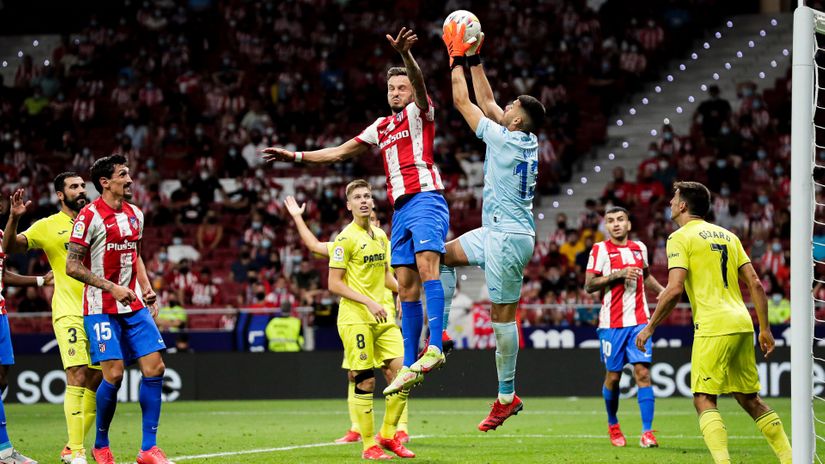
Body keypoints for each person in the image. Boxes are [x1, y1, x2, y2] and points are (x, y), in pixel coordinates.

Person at [263, 28, 450, 387]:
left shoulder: (420, 113)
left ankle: (437, 342)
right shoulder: (380, 127)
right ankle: (410, 362)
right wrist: (295, 156)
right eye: (392, 89)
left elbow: (421, 86)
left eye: (402, 88)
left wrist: (406, 57)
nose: (397, 93)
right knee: (407, 287)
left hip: (426, 198)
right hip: (400, 210)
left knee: (428, 268)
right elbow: (338, 152)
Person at [417, 22, 544, 431]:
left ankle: (506, 396)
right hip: (497, 231)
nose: (503, 109)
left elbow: (463, 102)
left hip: (508, 238)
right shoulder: (524, 138)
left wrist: (454, 57)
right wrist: (474, 58)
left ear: (518, 123)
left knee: (502, 318)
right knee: (442, 256)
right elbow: (487, 99)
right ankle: (443, 335)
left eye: (511, 110)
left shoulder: (506, 140)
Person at [636, 181, 791, 464]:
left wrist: (650, 326)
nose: (671, 202)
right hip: (743, 323)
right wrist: (764, 328)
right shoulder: (729, 236)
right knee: (749, 399)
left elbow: (673, 289)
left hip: (713, 325)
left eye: (674, 198)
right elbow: (756, 283)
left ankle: (723, 462)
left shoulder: (680, 238)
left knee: (704, 398)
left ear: (683, 205)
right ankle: (791, 458)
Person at [284, 189, 413, 457]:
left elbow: (384, 276)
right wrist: (298, 218)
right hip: (357, 318)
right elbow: (333, 282)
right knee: (363, 380)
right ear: (348, 205)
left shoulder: (380, 237)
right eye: (358, 197)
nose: (364, 201)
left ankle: (390, 433)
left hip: (383, 317)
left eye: (367, 196)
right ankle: (368, 444)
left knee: (405, 374)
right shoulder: (345, 239)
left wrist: (402, 291)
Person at [65, 155, 170, 464]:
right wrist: (112, 287)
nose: (130, 180)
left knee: (156, 368)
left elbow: (134, 254)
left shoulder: (136, 213)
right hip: (100, 306)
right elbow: (72, 265)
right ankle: (100, 444)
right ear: (105, 183)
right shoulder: (88, 217)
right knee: (114, 374)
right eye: (123, 175)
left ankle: (148, 449)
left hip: (132, 303)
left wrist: (146, 288)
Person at [3, 173, 104, 464]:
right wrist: (14, 218)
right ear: (60, 195)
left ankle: (71, 447)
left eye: (83, 186)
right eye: (74, 187)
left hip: (99, 311)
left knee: (98, 379)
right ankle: (77, 451)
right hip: (68, 310)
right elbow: (10, 247)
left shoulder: (98, 220)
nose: (81, 190)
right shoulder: (49, 226)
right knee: (77, 374)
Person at [583, 206, 665, 448]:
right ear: (606, 226)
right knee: (614, 376)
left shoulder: (640, 248)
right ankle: (613, 423)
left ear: (629, 224)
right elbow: (589, 285)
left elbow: (646, 275)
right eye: (611, 221)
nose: (616, 224)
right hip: (612, 324)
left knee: (643, 373)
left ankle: (647, 432)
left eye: (620, 220)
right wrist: (617, 274)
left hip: (640, 321)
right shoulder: (600, 250)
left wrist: (663, 292)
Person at [0, 227, 52, 464]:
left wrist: (41, 280)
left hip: (0, 313)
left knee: (2, 378)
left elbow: (3, 275)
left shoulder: (2, 235)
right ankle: (4, 451)